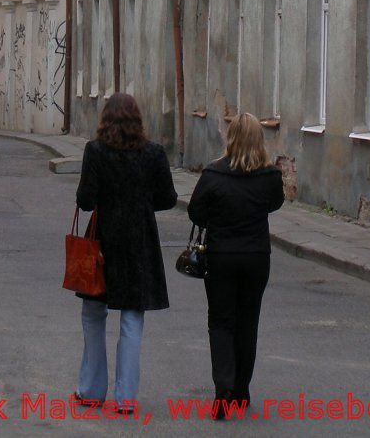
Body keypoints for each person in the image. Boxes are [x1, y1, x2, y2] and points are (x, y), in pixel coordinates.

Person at [74, 92, 178, 413]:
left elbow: (86, 200)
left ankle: (91, 390)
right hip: (138, 242)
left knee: (93, 314)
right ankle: (126, 398)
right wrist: (141, 204)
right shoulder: (153, 153)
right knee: (132, 318)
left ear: (106, 119)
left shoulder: (95, 151)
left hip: (102, 240)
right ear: (137, 120)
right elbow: (169, 198)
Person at [187, 113, 285, 418]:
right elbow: (275, 203)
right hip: (256, 256)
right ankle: (241, 391)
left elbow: (195, 211)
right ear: (259, 140)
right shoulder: (269, 176)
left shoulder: (214, 174)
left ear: (230, 139)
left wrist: (217, 218)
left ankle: (222, 390)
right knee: (247, 323)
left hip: (221, 257)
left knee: (220, 322)